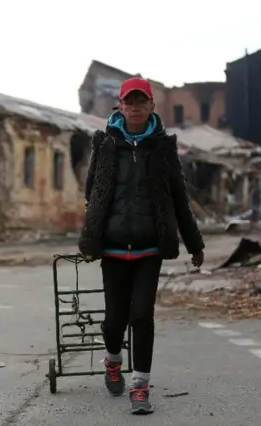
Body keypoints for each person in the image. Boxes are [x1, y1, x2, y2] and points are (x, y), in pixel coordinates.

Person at [78, 77, 205, 415]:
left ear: (151, 106)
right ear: (120, 105)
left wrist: (194, 243)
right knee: (114, 321)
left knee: (141, 317)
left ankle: (140, 387)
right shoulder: (105, 144)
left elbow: (179, 197)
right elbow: (93, 193)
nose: (135, 107)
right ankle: (113, 361)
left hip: (149, 246)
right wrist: (92, 237)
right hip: (114, 247)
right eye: (128, 101)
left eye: (141, 101)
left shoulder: (163, 147)